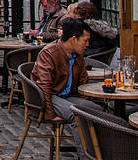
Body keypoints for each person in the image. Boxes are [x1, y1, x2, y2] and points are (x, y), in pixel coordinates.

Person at [31, 18, 99, 153]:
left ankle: (99, 152)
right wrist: (49, 113)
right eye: (85, 40)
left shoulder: (78, 55)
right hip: (51, 96)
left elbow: (84, 81)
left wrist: (84, 103)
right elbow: (44, 86)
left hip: (67, 96)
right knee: (77, 115)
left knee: (98, 112)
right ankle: (85, 155)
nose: (87, 44)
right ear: (74, 39)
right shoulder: (49, 53)